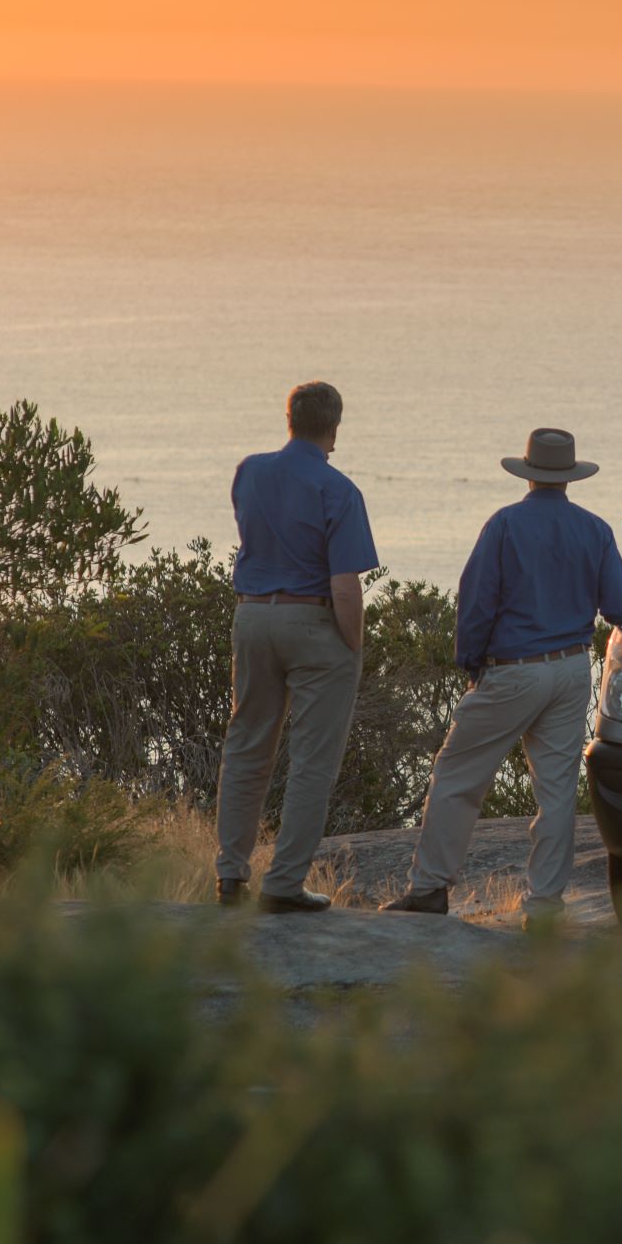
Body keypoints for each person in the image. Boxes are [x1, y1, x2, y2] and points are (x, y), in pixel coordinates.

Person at [381, 427, 622, 920]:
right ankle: (543, 906)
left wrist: (471, 664)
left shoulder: (505, 525)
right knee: (558, 791)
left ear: (528, 472)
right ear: (569, 477)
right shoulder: (595, 530)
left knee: (456, 777)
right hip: (570, 670)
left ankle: (430, 888)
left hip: (514, 670)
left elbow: (477, 603)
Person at [213, 381, 377, 912]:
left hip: (253, 614)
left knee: (246, 745)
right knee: (311, 761)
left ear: (288, 419)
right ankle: (283, 884)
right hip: (313, 622)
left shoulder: (250, 472)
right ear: (334, 428)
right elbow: (345, 586)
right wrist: (352, 646)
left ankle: (230, 877)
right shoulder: (340, 490)